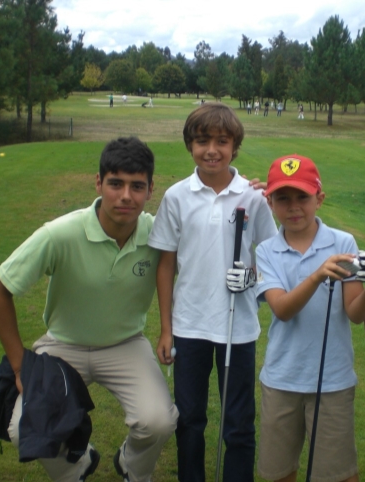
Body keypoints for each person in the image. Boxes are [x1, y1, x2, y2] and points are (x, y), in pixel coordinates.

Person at [0, 137, 178, 482]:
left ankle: (132, 467)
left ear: (151, 190)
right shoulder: (59, 234)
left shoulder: (157, 233)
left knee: (159, 421)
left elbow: (210, 226)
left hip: (125, 344)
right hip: (62, 345)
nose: (126, 196)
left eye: (137, 186)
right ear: (98, 183)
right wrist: (18, 364)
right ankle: (77, 467)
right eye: (115, 183)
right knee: (21, 428)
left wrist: (248, 193)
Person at [149, 102, 278, 482]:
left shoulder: (254, 198)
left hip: (237, 328)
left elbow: (271, 258)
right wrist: (166, 328)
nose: (212, 150)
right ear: (190, 145)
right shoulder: (176, 196)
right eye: (202, 141)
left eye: (222, 141)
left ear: (234, 146)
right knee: (188, 419)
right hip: (189, 326)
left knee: (238, 422)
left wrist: (251, 277)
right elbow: (167, 264)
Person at [255, 154, 365, 482]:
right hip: (282, 377)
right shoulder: (266, 250)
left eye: (303, 197)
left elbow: (355, 314)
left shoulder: (342, 243)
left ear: (320, 199)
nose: (293, 206)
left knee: (337, 474)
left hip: (332, 381)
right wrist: (316, 275)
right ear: (269, 202)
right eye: (282, 198)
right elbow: (282, 310)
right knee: (278, 472)